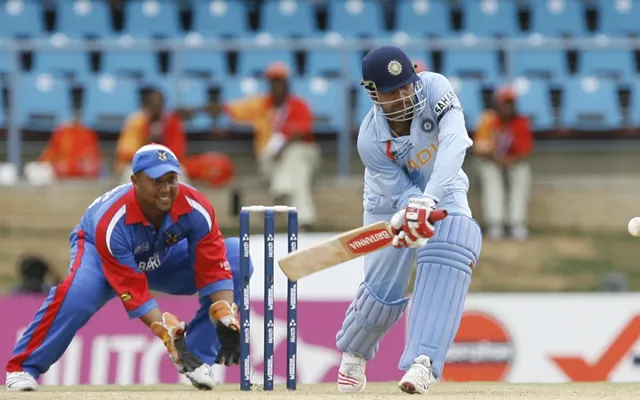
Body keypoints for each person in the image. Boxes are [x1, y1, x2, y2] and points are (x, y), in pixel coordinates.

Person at [5, 144, 250, 392]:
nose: (165, 190)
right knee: (78, 296)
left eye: (171, 179)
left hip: (161, 254)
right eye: (156, 181)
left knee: (238, 256)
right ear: (135, 181)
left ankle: (196, 358)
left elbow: (215, 270)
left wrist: (226, 317)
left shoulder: (196, 207)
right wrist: (169, 335)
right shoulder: (112, 222)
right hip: (99, 252)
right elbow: (134, 292)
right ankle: (23, 367)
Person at [334, 45, 483, 395]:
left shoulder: (435, 89)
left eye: (406, 85)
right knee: (382, 290)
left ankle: (423, 362)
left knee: (454, 243)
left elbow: (455, 143)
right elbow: (399, 190)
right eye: (391, 91)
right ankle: (355, 351)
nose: (403, 95)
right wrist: (410, 207)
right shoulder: (370, 140)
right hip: (388, 203)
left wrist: (428, 199)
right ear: (373, 93)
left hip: (443, 188)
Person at [210, 62, 320, 229]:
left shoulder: (299, 105)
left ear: (287, 83)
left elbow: (302, 132)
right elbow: (229, 109)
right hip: (270, 160)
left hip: (302, 154)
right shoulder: (261, 104)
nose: (276, 85)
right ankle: (301, 218)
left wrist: (283, 145)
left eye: (280, 81)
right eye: (273, 81)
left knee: (294, 155)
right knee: (295, 175)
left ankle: (283, 191)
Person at [474, 86, 534, 240]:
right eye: (505, 103)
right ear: (497, 104)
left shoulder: (521, 121)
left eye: (511, 103)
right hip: (492, 161)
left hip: (512, 161)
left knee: (522, 171)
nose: (508, 107)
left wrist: (506, 161)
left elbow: (524, 151)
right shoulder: (488, 119)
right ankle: (496, 223)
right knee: (490, 173)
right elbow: (480, 148)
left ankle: (517, 223)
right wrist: (498, 160)